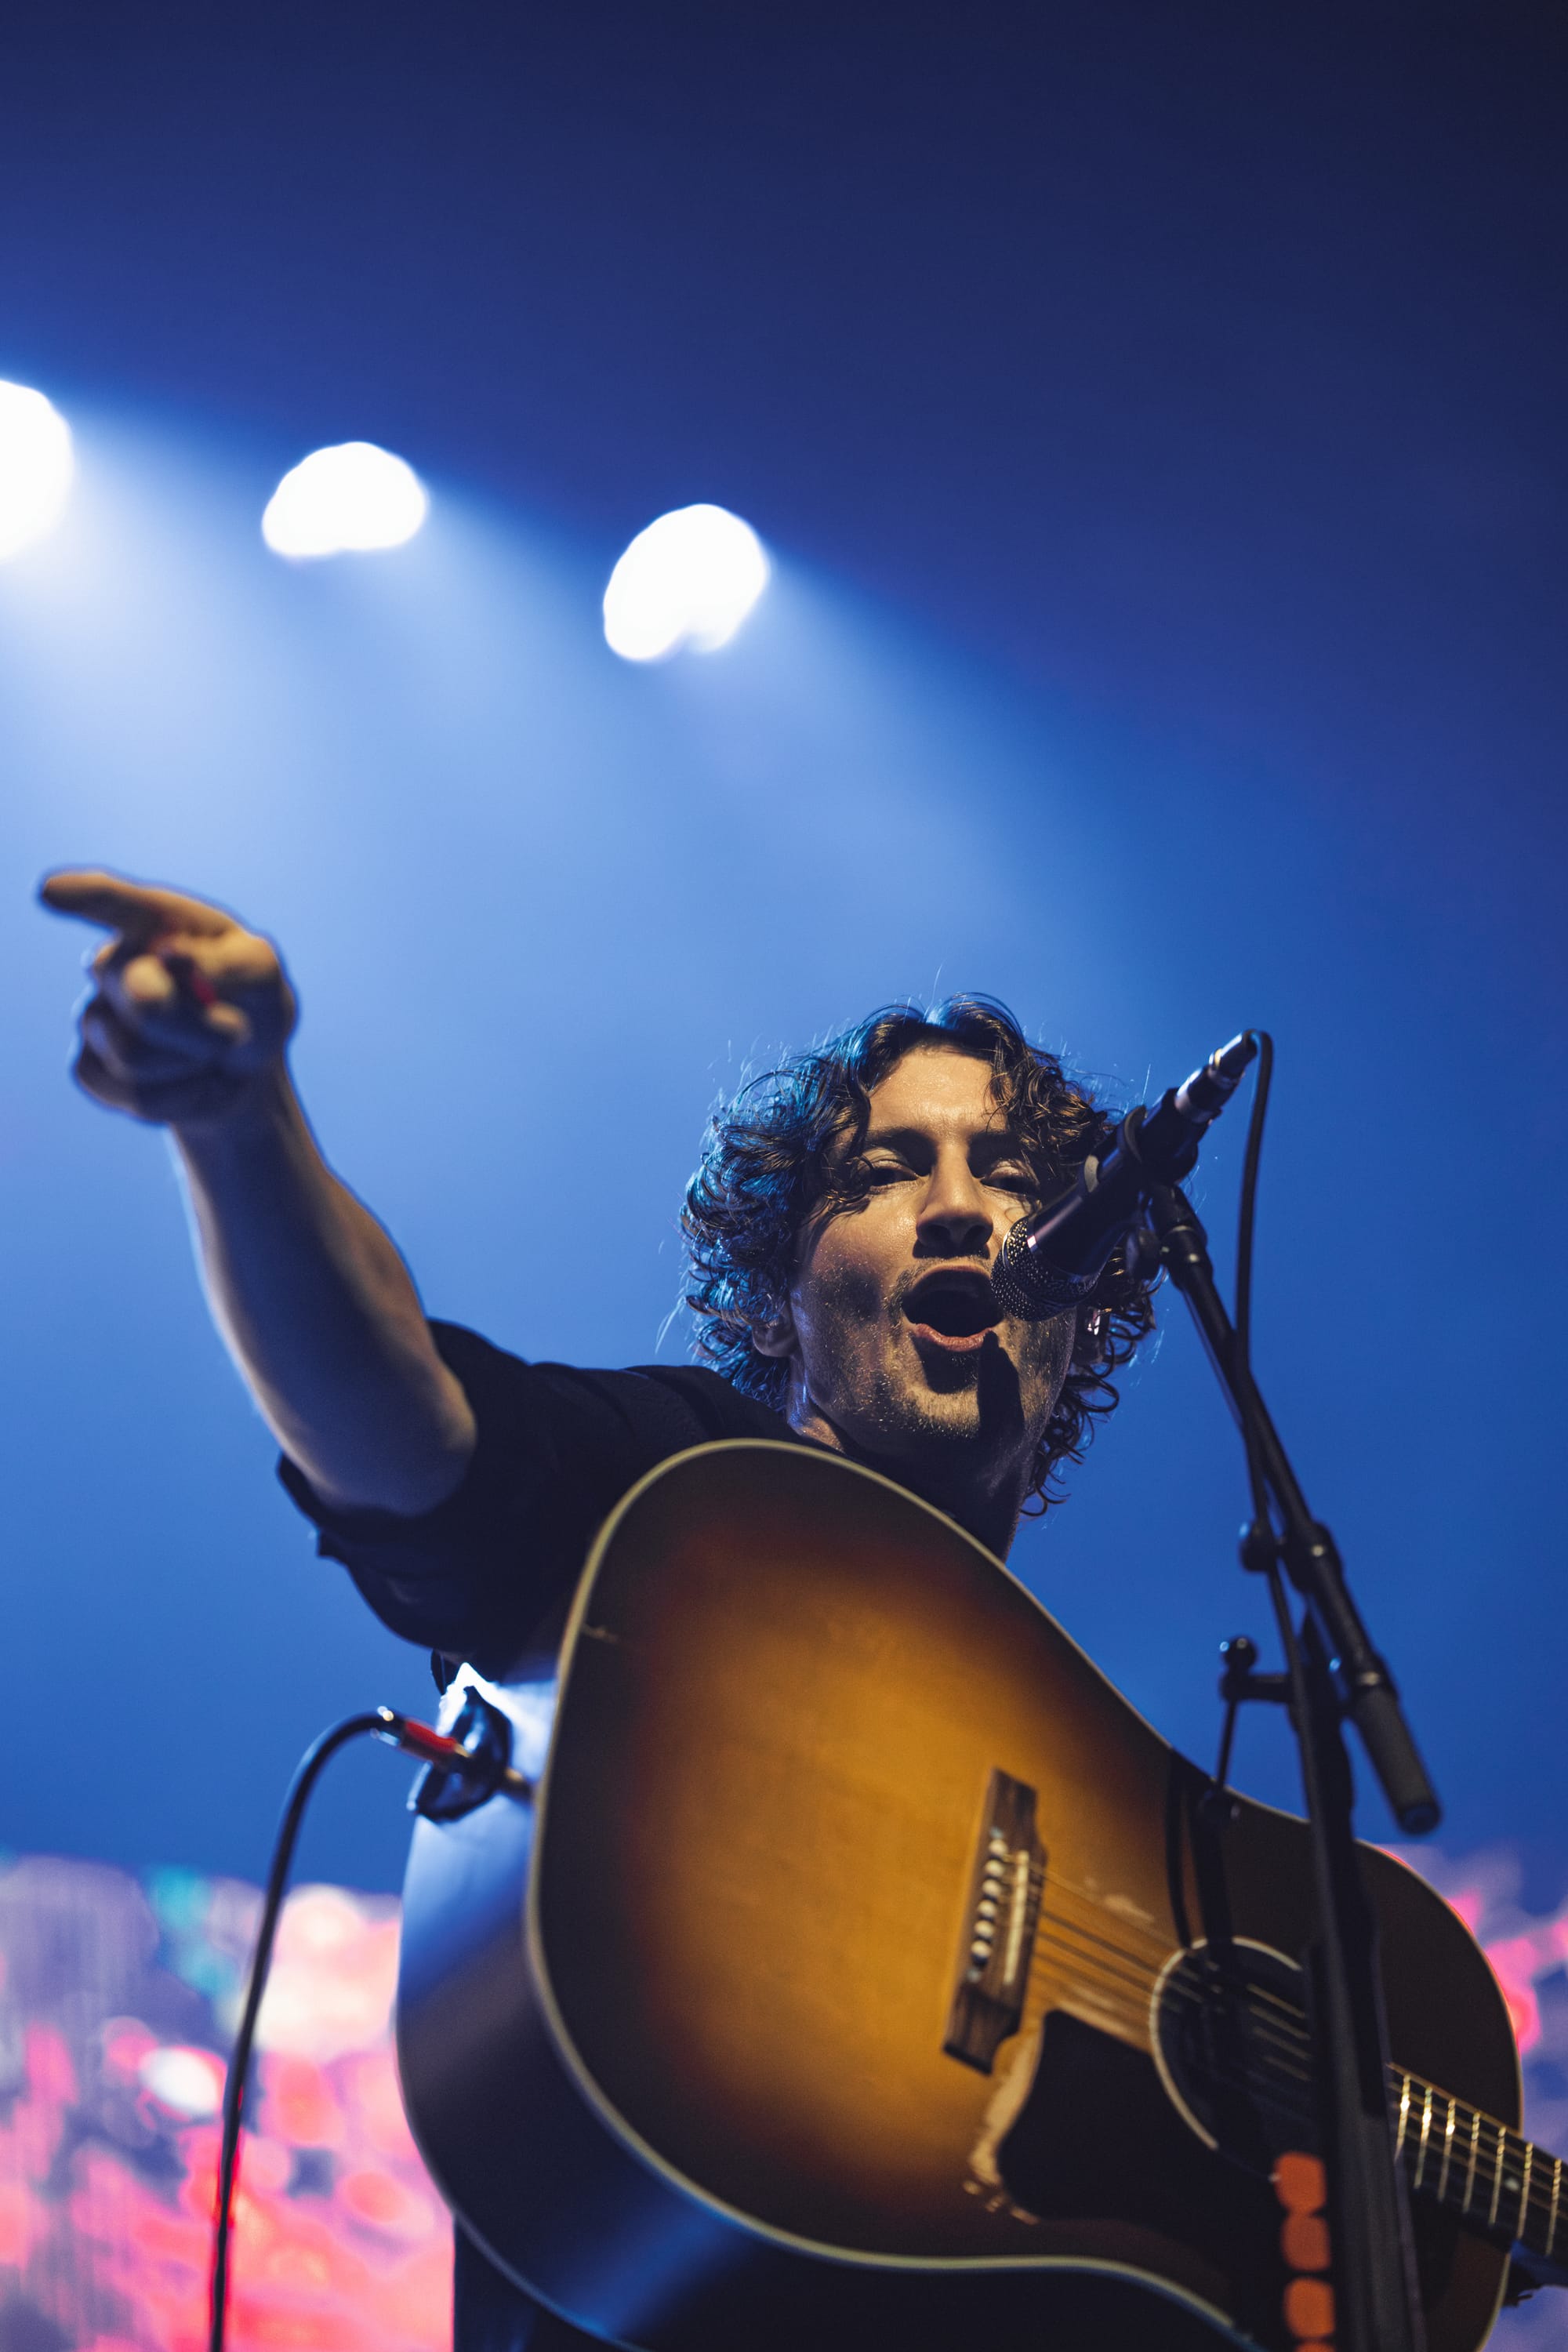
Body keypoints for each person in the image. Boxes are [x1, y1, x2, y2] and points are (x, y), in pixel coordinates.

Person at [38, 866, 1157, 2350]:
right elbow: (408, 1433)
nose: (960, 1210)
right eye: (886, 1171)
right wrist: (241, 1127)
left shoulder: (1094, 1769)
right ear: (777, 1298)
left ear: (1079, 1303)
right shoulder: (690, 1508)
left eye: (1012, 1176)